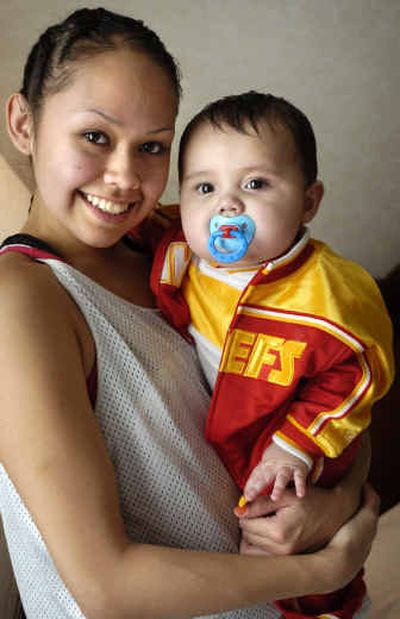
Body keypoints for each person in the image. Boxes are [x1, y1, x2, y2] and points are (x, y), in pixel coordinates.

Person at [0, 8, 378, 619]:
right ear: (24, 122)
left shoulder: (187, 248)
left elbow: (334, 381)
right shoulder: (20, 299)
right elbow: (107, 586)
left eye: (151, 147)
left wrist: (337, 505)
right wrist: (325, 563)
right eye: (95, 137)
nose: (123, 177)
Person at [148, 92, 394, 618]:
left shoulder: (327, 292)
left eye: (255, 184)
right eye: (205, 187)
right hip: (228, 454)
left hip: (300, 448)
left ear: (308, 202)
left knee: (308, 565)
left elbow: (359, 373)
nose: (227, 205)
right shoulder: (178, 251)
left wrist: (295, 446)